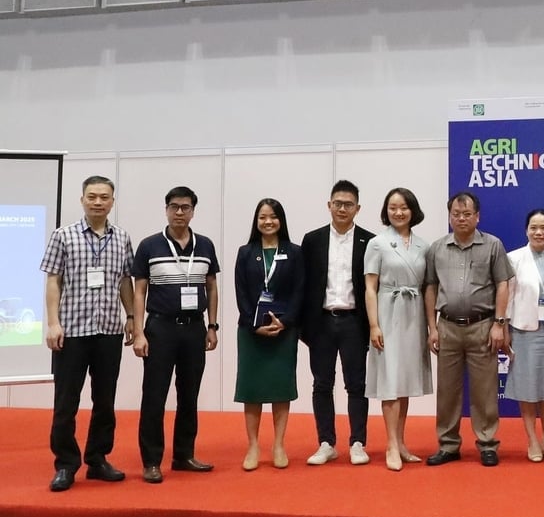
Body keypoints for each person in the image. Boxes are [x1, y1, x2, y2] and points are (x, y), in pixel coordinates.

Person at [42, 176, 135, 492]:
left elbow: (125, 281)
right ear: (82, 199)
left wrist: (132, 316)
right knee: (66, 402)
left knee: (105, 400)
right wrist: (53, 323)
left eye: (104, 197)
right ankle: (66, 465)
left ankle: (97, 460)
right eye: (92, 196)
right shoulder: (63, 236)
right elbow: (53, 281)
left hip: (108, 330)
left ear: (112, 201)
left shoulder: (122, 238)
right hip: (72, 331)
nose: (98, 202)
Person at [131, 186, 220, 483]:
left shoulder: (205, 245)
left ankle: (184, 455)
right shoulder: (149, 246)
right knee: (154, 396)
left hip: (194, 328)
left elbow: (211, 286)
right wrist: (139, 331)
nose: (179, 212)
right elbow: (140, 289)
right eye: (174, 207)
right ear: (166, 209)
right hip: (160, 328)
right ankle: (152, 461)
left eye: (185, 207)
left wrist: (212, 325)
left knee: (189, 394)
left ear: (194, 210)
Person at [423, 191, 512, 467]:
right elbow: (430, 287)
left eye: (466, 214)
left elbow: (503, 284)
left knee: (484, 391)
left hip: (482, 327)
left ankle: (487, 443)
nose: (461, 219)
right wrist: (431, 327)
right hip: (447, 326)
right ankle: (448, 445)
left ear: (477, 216)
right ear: (449, 216)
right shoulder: (437, 248)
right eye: (456, 214)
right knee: (447, 391)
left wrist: (499, 324)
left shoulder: (493, 245)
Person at [300, 180, 375, 467]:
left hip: (354, 322)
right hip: (321, 322)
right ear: (329, 205)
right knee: (322, 384)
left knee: (356, 385)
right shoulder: (313, 239)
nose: (342, 208)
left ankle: (357, 442)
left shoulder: (369, 241)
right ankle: (326, 442)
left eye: (348, 204)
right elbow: (304, 284)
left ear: (358, 208)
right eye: (337, 203)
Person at [364, 187, 432, 471]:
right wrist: (374, 325)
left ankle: (401, 441)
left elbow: (429, 287)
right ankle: (390, 443)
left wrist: (431, 325)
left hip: (413, 314)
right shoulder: (378, 243)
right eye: (392, 207)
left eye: (403, 207)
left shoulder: (424, 245)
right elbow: (370, 287)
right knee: (389, 382)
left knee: (404, 382)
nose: (398, 212)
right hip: (388, 312)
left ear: (412, 210)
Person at [234, 198, 303, 471]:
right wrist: (255, 325)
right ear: (256, 220)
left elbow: (300, 290)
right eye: (263, 217)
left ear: (281, 220)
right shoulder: (245, 252)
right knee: (251, 390)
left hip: (284, 331)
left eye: (273, 217)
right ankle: (253, 445)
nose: (268, 221)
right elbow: (241, 292)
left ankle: (278, 444)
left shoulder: (294, 252)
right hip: (252, 331)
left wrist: (285, 322)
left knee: (280, 388)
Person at [503, 208, 544, 463]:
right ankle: (532, 439)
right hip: (523, 330)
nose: (538, 232)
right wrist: (505, 327)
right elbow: (506, 296)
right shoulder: (513, 258)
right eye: (533, 227)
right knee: (527, 388)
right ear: (526, 230)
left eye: (543, 228)